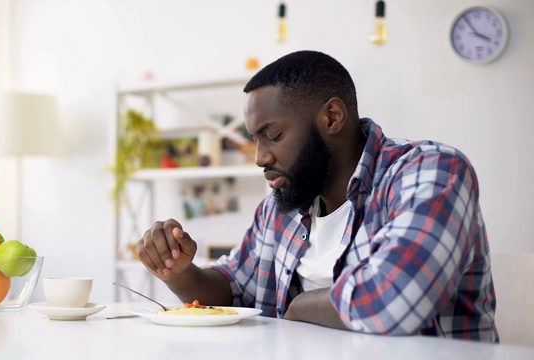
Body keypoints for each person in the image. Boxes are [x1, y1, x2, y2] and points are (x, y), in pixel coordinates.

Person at [136, 50, 498, 342]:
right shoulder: (283, 205)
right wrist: (178, 271)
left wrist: (299, 308)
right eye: (255, 141)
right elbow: (232, 292)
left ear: (333, 116)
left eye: (273, 136)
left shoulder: (430, 171)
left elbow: (394, 301)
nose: (261, 158)